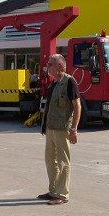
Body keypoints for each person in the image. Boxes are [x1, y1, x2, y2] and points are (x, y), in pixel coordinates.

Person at [37, 54, 81, 205]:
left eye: (50, 64)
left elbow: (77, 106)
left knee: (63, 162)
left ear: (60, 67)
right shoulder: (53, 83)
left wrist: (73, 129)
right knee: (50, 161)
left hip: (62, 129)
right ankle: (53, 190)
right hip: (50, 128)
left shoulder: (69, 82)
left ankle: (62, 194)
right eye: (48, 64)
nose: (47, 67)